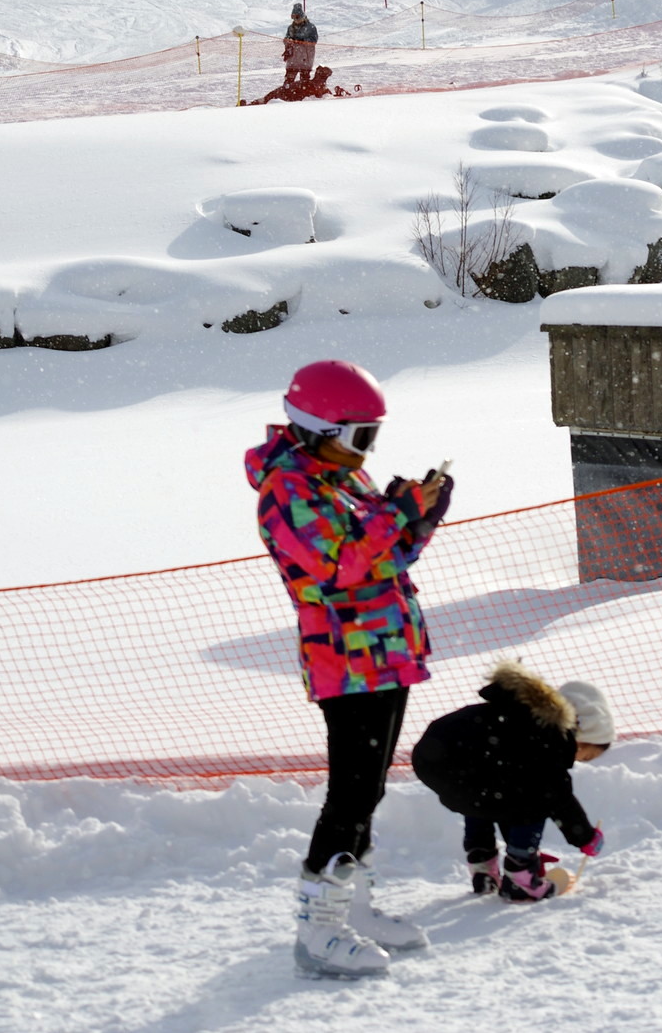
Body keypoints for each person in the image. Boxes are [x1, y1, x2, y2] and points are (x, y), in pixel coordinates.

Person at [245, 360, 452, 977]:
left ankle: (352, 904)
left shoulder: (341, 478)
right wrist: (399, 514)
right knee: (350, 792)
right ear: (315, 428)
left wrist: (419, 516)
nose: (365, 451)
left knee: (371, 789)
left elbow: (387, 559)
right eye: (358, 436)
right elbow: (341, 565)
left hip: (385, 649)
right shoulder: (288, 490)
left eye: (373, 436)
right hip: (346, 658)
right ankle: (318, 929)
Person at [411, 662, 613, 903]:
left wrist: (524, 848)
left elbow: (509, 801)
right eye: (586, 755)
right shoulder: (550, 738)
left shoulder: (523, 718)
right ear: (581, 736)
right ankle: (520, 879)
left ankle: (483, 867)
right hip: (453, 756)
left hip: (436, 757)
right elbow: (559, 799)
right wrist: (585, 837)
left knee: (487, 800)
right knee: (538, 798)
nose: (579, 761)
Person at [283, 4, 318, 89]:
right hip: (293, 58)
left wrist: (302, 41)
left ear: (302, 16)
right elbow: (287, 38)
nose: (295, 20)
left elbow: (314, 40)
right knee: (289, 79)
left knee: (304, 79)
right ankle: (286, 93)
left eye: (297, 17)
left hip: (305, 57)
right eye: (293, 17)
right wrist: (287, 41)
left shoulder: (311, 27)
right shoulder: (290, 28)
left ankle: (304, 94)